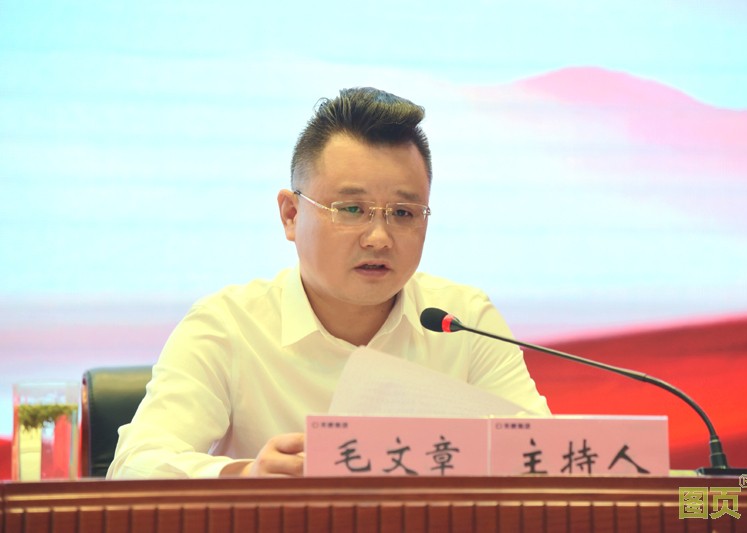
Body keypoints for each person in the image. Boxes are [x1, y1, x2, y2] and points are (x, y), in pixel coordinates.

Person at [107, 87, 550, 479]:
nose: (379, 238)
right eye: (351, 210)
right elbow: (133, 466)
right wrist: (245, 475)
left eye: (403, 213)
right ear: (291, 214)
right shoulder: (227, 326)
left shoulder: (463, 322)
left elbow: (544, 457)